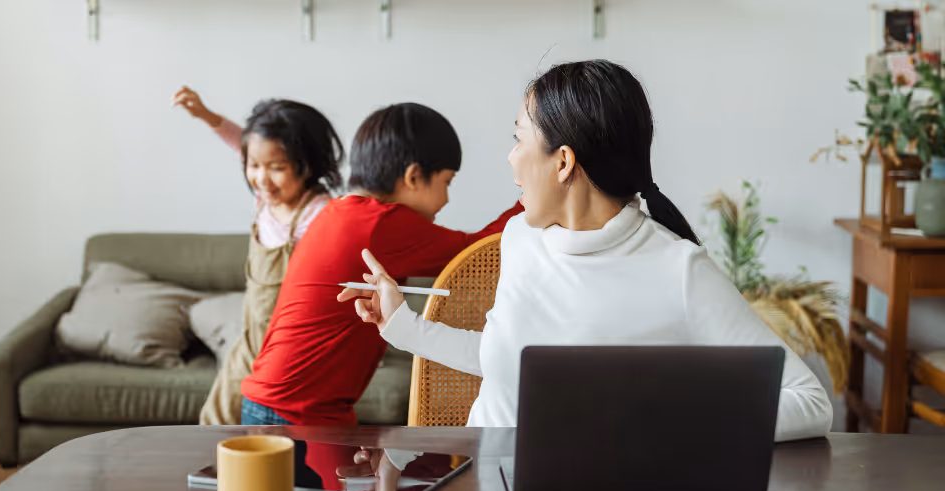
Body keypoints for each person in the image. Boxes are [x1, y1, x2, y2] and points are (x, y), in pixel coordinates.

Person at [339, 60, 833, 443]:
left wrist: (664, 420)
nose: (511, 158)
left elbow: (809, 402)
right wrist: (402, 325)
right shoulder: (520, 238)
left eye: (518, 138)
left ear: (563, 162)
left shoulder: (678, 269)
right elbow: (505, 360)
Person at [240, 103, 524, 426]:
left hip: (278, 402)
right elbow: (476, 255)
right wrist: (531, 196)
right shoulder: (378, 224)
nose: (445, 200)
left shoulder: (342, 212)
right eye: (447, 182)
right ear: (414, 177)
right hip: (295, 413)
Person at [173, 88, 344, 425]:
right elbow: (243, 143)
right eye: (254, 165)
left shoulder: (319, 214)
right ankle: (217, 476)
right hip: (250, 338)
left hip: (288, 350)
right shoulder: (266, 200)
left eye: (277, 167)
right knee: (215, 419)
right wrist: (207, 116)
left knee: (265, 431)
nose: (262, 178)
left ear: (307, 164)